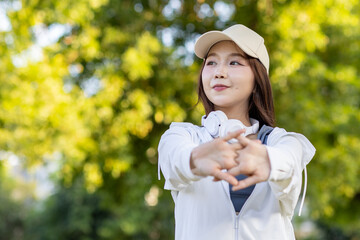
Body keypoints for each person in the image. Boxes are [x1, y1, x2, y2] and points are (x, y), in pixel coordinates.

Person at [158, 24, 315, 240]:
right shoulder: (182, 136)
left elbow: (289, 161)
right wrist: (195, 158)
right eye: (211, 62)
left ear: (257, 81)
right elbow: (175, 159)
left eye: (234, 62)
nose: (219, 73)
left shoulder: (282, 142)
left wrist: (267, 161)